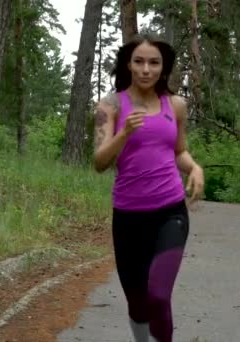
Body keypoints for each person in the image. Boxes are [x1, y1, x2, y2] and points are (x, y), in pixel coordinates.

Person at [92, 34, 205, 342]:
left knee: (158, 294)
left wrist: (194, 168)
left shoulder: (176, 105)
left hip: (170, 212)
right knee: (138, 302)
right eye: (139, 61)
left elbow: (179, 150)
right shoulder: (110, 106)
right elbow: (100, 162)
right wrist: (124, 132)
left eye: (154, 62)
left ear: (163, 67)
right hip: (128, 216)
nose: (146, 69)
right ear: (128, 64)